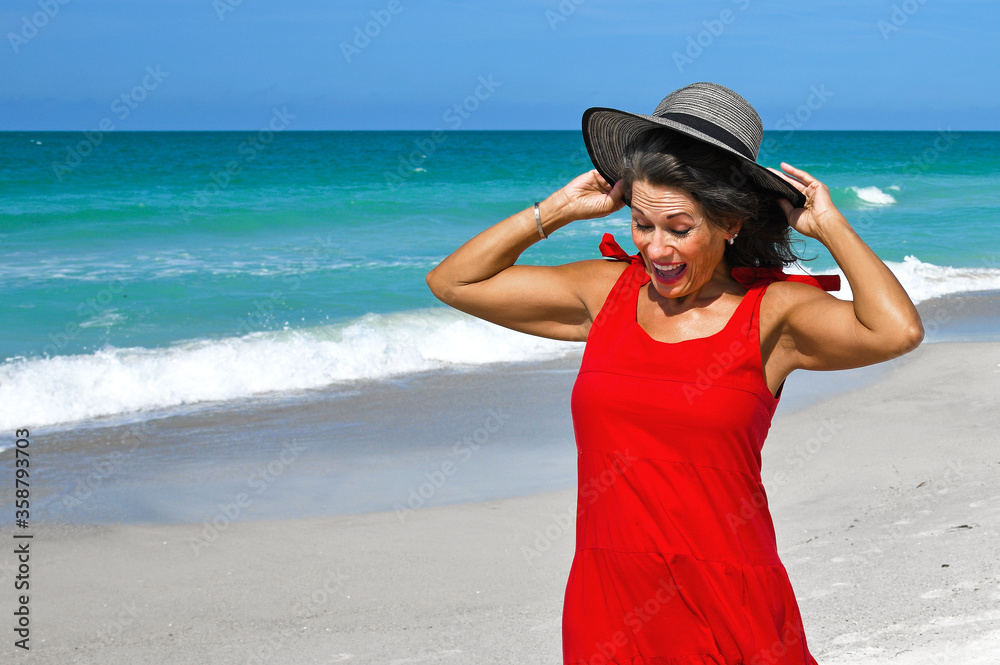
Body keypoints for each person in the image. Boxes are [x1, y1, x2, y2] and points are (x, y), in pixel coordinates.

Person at [425, 82, 923, 665]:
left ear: (730, 222)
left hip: (730, 600)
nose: (656, 249)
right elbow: (453, 282)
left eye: (679, 229)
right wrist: (557, 210)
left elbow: (896, 331)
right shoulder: (605, 293)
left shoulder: (774, 314)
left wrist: (831, 227)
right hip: (610, 602)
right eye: (642, 224)